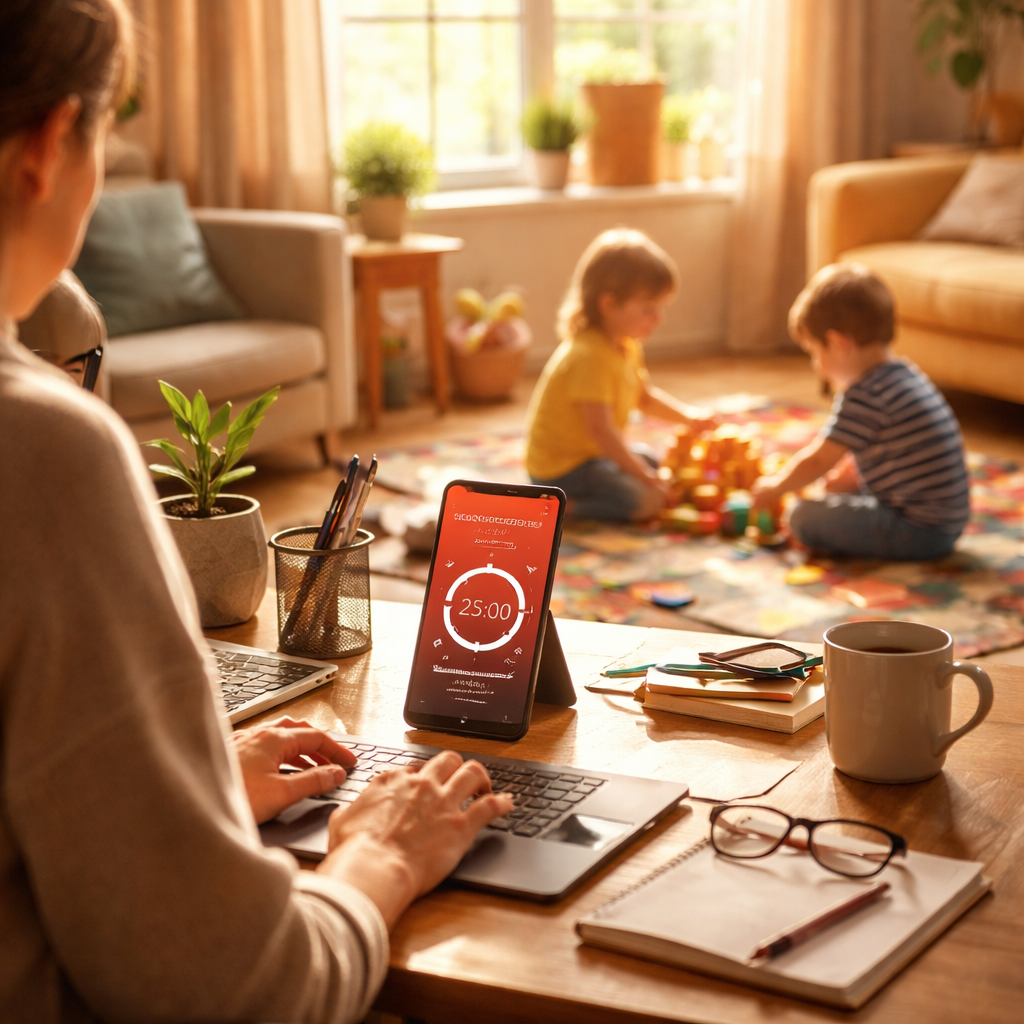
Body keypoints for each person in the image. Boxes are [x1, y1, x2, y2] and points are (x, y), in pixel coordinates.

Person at [0, 3, 511, 1022]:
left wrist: (181, 790)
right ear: (51, 148)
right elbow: (232, 992)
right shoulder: (42, 452)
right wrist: (380, 852)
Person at [752, 263, 970, 560]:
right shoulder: (905, 374)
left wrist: (774, 489)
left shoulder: (864, 395)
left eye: (815, 353)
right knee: (837, 493)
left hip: (918, 531)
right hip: (946, 524)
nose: (816, 365)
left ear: (839, 344)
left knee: (801, 516)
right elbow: (892, 453)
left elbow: (817, 462)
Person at [525, 228, 713, 521]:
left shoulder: (626, 344)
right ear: (609, 305)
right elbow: (602, 433)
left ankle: (613, 486)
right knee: (644, 501)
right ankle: (557, 507)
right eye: (649, 309)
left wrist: (690, 418)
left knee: (654, 461)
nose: (659, 319)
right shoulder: (589, 356)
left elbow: (645, 399)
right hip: (559, 470)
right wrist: (647, 479)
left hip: (591, 456)